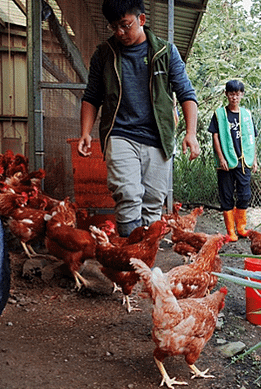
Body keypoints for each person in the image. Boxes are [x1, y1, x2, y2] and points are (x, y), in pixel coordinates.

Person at [77, 0, 200, 237]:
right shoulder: (104, 54)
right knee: (128, 194)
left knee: (153, 202)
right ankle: (129, 258)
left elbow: (187, 94)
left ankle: (144, 263)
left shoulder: (166, 52)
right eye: (114, 27)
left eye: (125, 25)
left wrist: (191, 133)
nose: (120, 32)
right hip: (120, 133)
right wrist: (85, 132)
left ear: (141, 19)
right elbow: (92, 96)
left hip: (158, 137)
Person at [209, 80, 258, 241]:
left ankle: (241, 227)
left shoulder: (246, 114)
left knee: (245, 195)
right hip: (226, 163)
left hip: (244, 162)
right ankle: (231, 231)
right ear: (226, 94)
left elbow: (252, 138)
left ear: (242, 95)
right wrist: (221, 158)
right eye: (231, 94)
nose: (234, 97)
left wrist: (254, 160)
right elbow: (215, 136)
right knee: (226, 195)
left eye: (237, 94)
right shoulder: (219, 114)